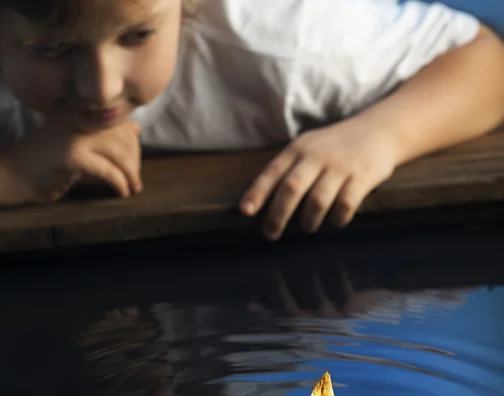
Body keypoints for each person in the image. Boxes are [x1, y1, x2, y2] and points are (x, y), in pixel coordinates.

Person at [0, 0, 503, 240]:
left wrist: (379, 134)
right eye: (54, 49)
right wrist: (13, 174)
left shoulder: (293, 50)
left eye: (136, 37)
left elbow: (487, 61)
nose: (100, 88)